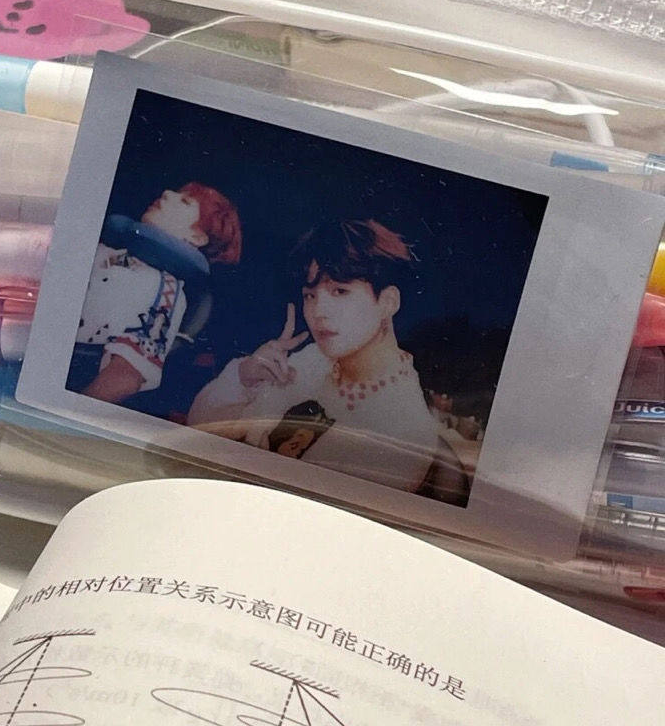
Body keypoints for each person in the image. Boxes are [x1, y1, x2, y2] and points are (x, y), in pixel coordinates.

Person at [188, 219, 438, 493]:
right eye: (310, 295)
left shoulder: (406, 432)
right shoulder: (312, 361)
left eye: (340, 291)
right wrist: (244, 377)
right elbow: (199, 429)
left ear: (388, 302)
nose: (319, 311)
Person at [78, 182, 242, 405]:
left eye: (184, 201)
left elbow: (124, 378)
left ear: (196, 237)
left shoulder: (164, 288)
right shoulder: (106, 250)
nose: (166, 193)